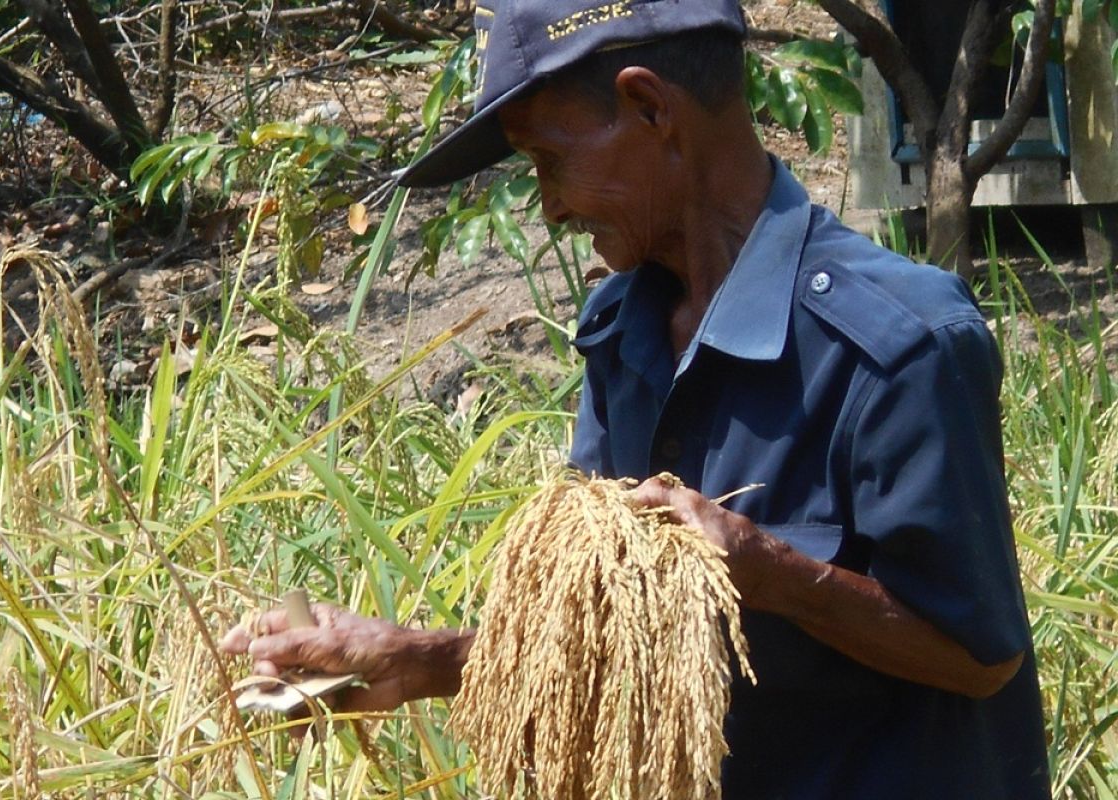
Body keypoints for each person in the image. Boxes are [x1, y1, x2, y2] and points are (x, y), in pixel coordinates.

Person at [220, 1, 1052, 796]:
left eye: (549, 159)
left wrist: (772, 574)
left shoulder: (899, 345)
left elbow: (979, 658)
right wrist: (411, 660)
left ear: (649, 107)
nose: (548, 204)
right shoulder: (623, 328)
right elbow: (608, 626)